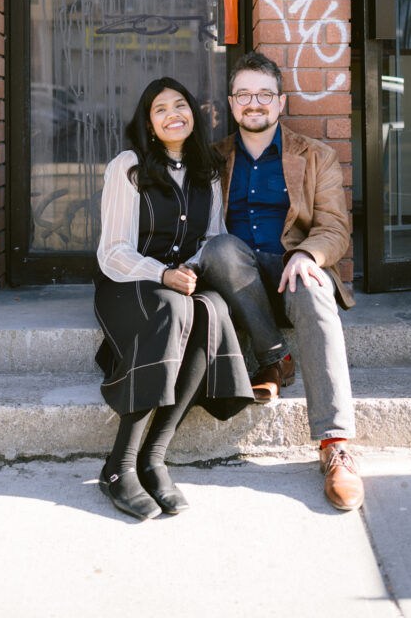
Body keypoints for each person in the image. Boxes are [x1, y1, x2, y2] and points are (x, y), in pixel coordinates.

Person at [198, 51, 364, 511]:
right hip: (234, 281)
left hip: (291, 272)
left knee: (314, 285)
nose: (255, 103)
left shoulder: (316, 156)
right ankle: (276, 356)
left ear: (281, 101)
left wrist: (309, 253)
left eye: (265, 95)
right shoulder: (211, 160)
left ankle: (336, 446)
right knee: (220, 247)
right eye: (245, 95)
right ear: (232, 104)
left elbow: (335, 228)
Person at [94, 77, 254, 520]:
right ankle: (119, 466)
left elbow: (213, 238)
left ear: (193, 114)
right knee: (173, 306)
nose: (172, 114)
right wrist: (163, 274)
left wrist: (191, 271)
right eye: (160, 109)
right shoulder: (128, 166)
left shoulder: (208, 170)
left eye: (179, 105)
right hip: (128, 285)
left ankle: (153, 459)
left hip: (183, 284)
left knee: (213, 309)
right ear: (148, 123)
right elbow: (113, 252)